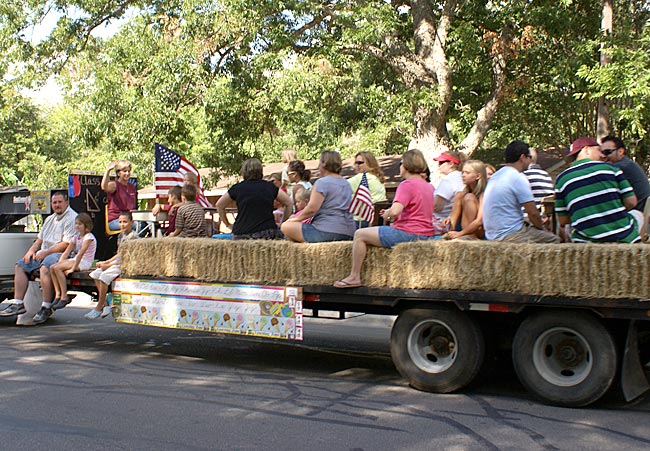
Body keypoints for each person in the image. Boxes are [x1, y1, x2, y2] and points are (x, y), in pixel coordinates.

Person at [334, 149, 435, 288]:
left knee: (359, 234)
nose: (400, 167)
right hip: (427, 234)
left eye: (401, 163)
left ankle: (354, 276)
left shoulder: (407, 185)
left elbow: (395, 211)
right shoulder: (429, 186)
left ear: (406, 166)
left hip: (407, 233)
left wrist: (387, 213)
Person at [0, 192, 78, 323]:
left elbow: (67, 244)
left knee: (44, 267)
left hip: (63, 254)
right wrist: (30, 251)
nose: (57, 205)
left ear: (66, 202)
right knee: (20, 265)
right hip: (45, 252)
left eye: (59, 202)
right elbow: (39, 239)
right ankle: (18, 304)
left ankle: (46, 306)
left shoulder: (72, 218)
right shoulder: (50, 219)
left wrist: (45, 253)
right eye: (54, 203)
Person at [555, 137, 640, 243]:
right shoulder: (611, 169)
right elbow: (631, 202)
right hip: (623, 238)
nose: (603, 155)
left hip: (586, 244)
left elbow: (563, 220)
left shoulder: (561, 179)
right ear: (587, 149)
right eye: (599, 150)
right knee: (638, 215)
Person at [482, 141, 560, 243]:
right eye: (529, 157)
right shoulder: (517, 177)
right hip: (511, 234)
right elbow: (533, 213)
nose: (530, 161)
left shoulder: (496, 176)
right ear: (523, 157)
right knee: (554, 240)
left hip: (492, 235)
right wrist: (543, 229)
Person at [281, 150, 355, 242]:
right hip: (349, 232)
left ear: (324, 164)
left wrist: (295, 219)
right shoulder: (346, 183)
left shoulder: (322, 183)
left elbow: (312, 209)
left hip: (326, 231)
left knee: (285, 226)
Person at [216, 158, 292, 240]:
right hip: (267, 233)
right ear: (260, 171)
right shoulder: (270, 187)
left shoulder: (237, 188)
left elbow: (219, 205)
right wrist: (283, 222)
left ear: (244, 171)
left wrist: (227, 224)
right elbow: (289, 203)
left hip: (241, 233)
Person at [85, 211, 138, 319]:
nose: (122, 224)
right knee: (95, 274)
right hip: (116, 262)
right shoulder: (120, 235)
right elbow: (119, 253)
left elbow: (127, 258)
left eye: (125, 222)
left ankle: (99, 307)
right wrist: (106, 262)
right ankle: (105, 303)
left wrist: (109, 265)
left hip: (125, 264)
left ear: (131, 222)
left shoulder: (133, 237)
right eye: (120, 222)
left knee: (104, 277)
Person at [49, 213, 97, 310]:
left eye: (79, 224)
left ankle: (64, 296)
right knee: (52, 267)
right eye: (76, 224)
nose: (77, 226)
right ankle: (58, 294)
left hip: (84, 261)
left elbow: (81, 254)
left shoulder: (89, 237)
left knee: (58, 269)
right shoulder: (76, 237)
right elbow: (67, 252)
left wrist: (72, 268)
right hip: (76, 260)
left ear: (86, 226)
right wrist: (60, 261)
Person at [601, 136, 650, 213]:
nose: (603, 156)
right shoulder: (627, 164)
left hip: (637, 213)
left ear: (620, 151)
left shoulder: (619, 167)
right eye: (601, 152)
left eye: (607, 152)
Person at [443, 160, 487, 240]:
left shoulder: (484, 194)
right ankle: (450, 231)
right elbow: (454, 213)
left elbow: (479, 221)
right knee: (460, 195)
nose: (463, 175)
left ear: (478, 176)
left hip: (480, 231)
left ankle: (470, 236)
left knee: (469, 197)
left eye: (467, 173)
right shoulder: (462, 193)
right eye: (462, 172)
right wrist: (449, 219)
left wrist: (460, 233)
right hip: (464, 229)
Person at [348, 152, 387, 228]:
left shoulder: (361, 178)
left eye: (360, 163)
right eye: (356, 163)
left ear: (369, 163)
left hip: (361, 221)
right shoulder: (378, 178)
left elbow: (338, 186)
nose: (357, 165)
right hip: (377, 221)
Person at [432, 151, 466, 234]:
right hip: (454, 221)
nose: (438, 165)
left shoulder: (448, 180)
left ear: (451, 163)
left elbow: (436, 206)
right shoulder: (462, 177)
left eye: (441, 163)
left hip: (442, 222)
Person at [102, 160, 137, 231]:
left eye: (129, 171)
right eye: (124, 171)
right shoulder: (114, 185)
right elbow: (104, 187)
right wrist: (108, 170)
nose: (127, 173)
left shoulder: (132, 187)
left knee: (149, 224)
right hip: (115, 220)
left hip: (129, 219)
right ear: (118, 173)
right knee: (139, 226)